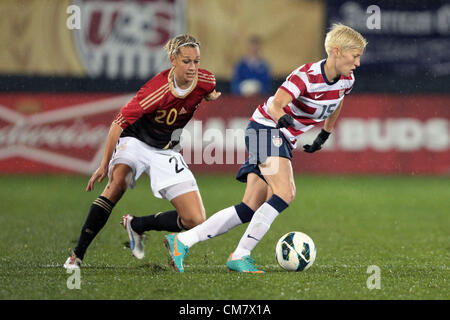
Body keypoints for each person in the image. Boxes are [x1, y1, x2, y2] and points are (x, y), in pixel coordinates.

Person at [163, 24, 368, 273]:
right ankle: (240, 254)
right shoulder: (305, 76)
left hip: (276, 136)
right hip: (265, 130)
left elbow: (338, 101)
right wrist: (283, 119)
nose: (358, 62)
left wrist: (324, 134)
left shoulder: (347, 80)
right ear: (336, 51)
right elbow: (276, 104)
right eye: (354, 55)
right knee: (285, 192)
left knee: (249, 207)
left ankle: (182, 241)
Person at [63, 34, 221, 269]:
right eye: (186, 61)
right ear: (173, 60)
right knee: (117, 185)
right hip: (135, 141)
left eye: (196, 61)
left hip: (165, 149)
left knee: (195, 220)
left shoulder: (206, 80)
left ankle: (137, 225)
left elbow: (207, 91)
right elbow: (118, 123)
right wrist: (104, 164)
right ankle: (77, 255)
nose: (193, 67)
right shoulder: (155, 90)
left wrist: (208, 95)